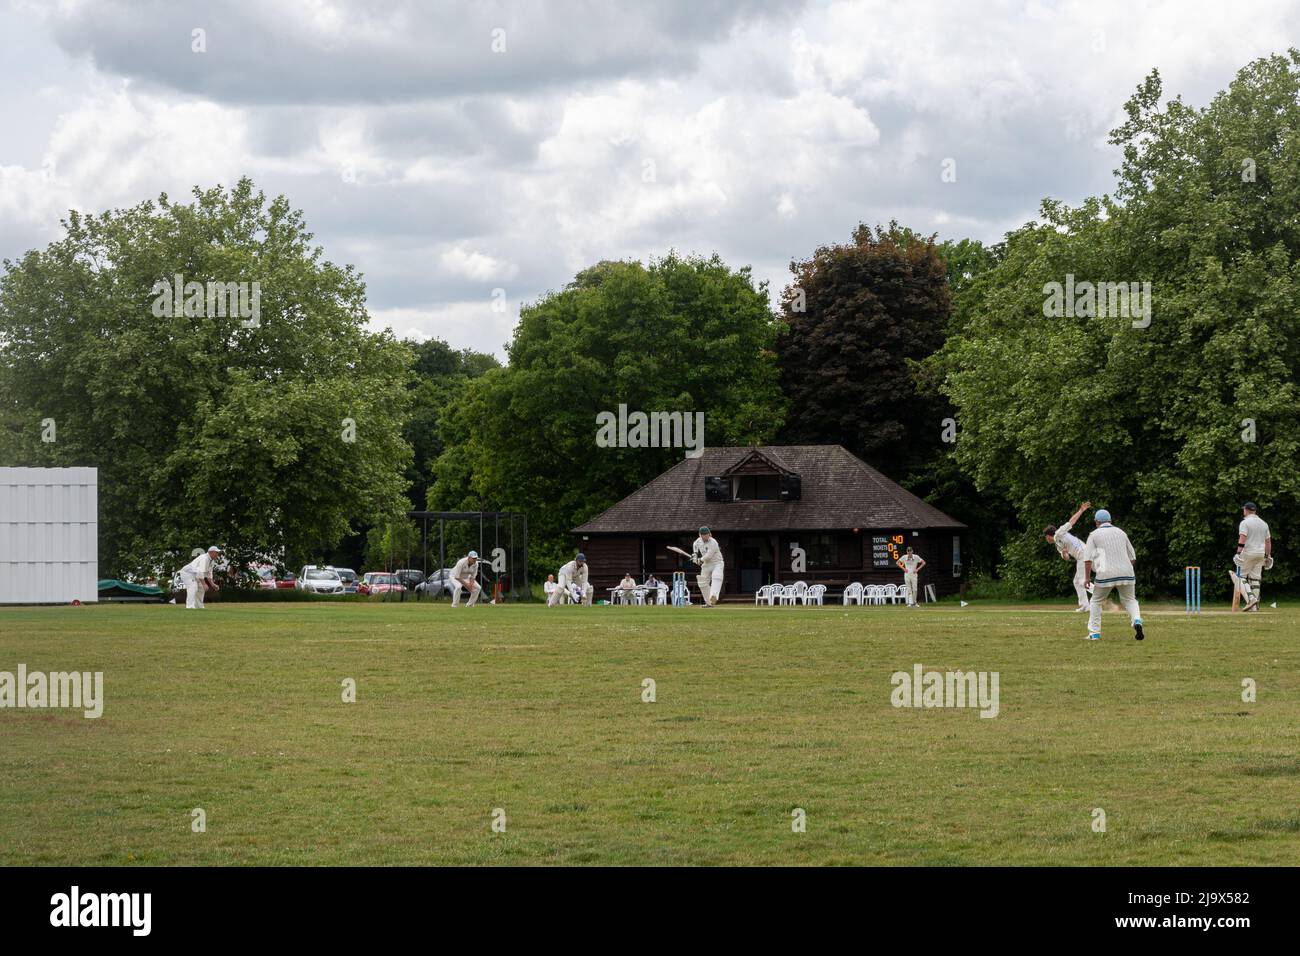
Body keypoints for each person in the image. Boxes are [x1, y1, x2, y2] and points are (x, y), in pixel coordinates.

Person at [1082, 510, 1144, 642]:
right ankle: (1137, 621)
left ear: (1097, 522)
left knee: (1096, 601)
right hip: (1127, 572)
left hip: (1105, 574)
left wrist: (1087, 578)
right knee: (1130, 600)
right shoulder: (1121, 532)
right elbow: (1132, 557)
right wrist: (1124, 569)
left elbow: (1087, 559)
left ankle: (1094, 634)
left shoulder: (1094, 535)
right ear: (1110, 520)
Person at [1044, 501, 1093, 611]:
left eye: (1046, 537)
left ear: (1048, 536)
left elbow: (1072, 521)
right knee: (1077, 581)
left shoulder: (1059, 533)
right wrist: (1065, 553)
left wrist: (1081, 510)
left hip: (1084, 553)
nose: (1046, 540)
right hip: (1082, 556)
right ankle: (1085, 605)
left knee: (1081, 580)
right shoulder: (1057, 545)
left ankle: (1099, 595)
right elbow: (1066, 558)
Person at [1234, 502, 1273, 612]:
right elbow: (1268, 542)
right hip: (1260, 554)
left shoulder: (1245, 522)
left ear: (1246, 510)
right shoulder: (1264, 523)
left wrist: (1238, 553)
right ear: (1254, 511)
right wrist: (1267, 556)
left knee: (1239, 578)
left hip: (1249, 552)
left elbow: (1242, 539)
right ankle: (1255, 607)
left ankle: (1251, 599)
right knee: (1255, 579)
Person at [691, 526, 723, 607]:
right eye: (704, 534)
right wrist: (694, 555)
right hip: (706, 564)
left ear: (710, 534)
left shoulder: (713, 542)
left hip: (717, 563)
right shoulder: (697, 541)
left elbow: (709, 555)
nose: (706, 536)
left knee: (717, 577)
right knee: (702, 582)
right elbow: (695, 546)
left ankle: (714, 596)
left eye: (707, 534)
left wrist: (700, 560)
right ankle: (709, 603)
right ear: (700, 535)